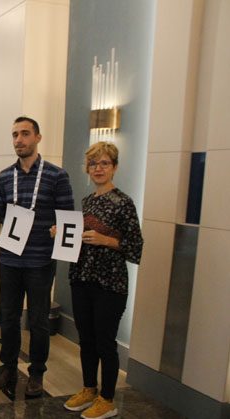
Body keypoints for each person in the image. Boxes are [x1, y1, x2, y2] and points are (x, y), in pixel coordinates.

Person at [0, 116, 74, 396]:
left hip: (40, 260)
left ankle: (37, 373)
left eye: (25, 134)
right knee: (8, 317)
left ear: (38, 137)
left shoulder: (56, 176)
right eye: (15, 134)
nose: (19, 140)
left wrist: (57, 230)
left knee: (38, 320)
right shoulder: (4, 177)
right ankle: (8, 367)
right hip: (10, 259)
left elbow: (67, 218)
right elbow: (1, 215)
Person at [60, 142, 143, 419]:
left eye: (104, 163)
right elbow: (80, 240)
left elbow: (136, 249)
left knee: (105, 342)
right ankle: (89, 389)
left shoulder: (124, 203)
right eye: (93, 164)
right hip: (82, 278)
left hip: (110, 284)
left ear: (114, 167)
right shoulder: (87, 201)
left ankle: (107, 400)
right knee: (86, 339)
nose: (98, 168)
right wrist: (62, 234)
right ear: (88, 169)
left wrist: (107, 240)